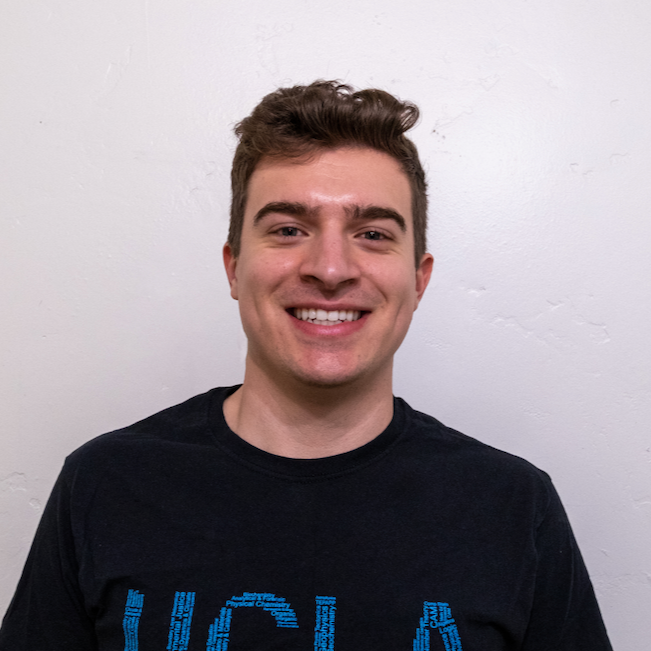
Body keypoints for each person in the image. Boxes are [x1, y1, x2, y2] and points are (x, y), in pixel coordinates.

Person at [0, 81, 612, 650]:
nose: (330, 267)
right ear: (234, 267)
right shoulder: (106, 484)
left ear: (418, 280)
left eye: (373, 234)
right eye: (289, 228)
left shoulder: (510, 505)